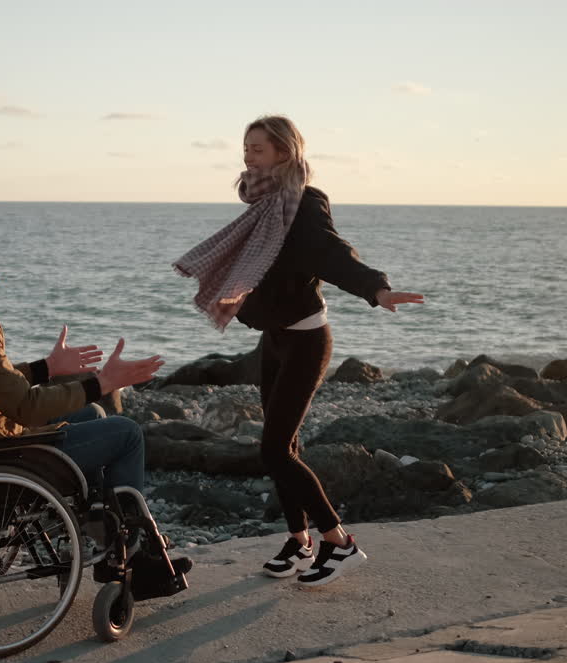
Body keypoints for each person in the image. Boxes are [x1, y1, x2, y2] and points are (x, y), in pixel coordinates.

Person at [174, 115, 424, 588]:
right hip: (274, 337)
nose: (248, 156)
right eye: (246, 148)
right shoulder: (263, 202)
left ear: (285, 153)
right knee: (280, 448)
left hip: (307, 339)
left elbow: (331, 254)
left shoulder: (304, 203)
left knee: (273, 447)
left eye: (258, 149)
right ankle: (299, 539)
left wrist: (377, 290)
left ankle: (339, 542)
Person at [0, 200, 190, 595]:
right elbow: (25, 407)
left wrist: (46, 369)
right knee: (125, 433)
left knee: (91, 415)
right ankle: (131, 559)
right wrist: (102, 380)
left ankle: (103, 530)